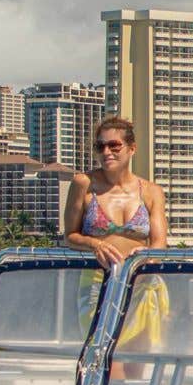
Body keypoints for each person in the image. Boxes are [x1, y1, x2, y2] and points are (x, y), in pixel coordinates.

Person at [64, 115, 169, 269]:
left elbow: (160, 243)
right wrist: (95, 244)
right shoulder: (84, 183)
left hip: (141, 278)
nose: (106, 152)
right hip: (96, 279)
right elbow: (70, 236)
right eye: (100, 146)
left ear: (132, 148)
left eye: (114, 145)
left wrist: (148, 258)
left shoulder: (152, 192)